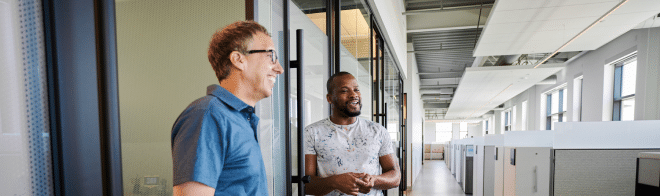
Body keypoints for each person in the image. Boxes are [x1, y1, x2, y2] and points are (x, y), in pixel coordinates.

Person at [170, 21, 283, 196]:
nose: (279, 69)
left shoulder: (240, 119)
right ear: (238, 60)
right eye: (271, 56)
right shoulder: (207, 115)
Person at [304, 72, 401, 196]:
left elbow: (395, 177)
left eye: (356, 90)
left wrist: (374, 180)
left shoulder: (378, 131)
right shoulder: (312, 133)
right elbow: (307, 185)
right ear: (329, 98)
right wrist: (334, 182)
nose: (354, 95)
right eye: (344, 91)